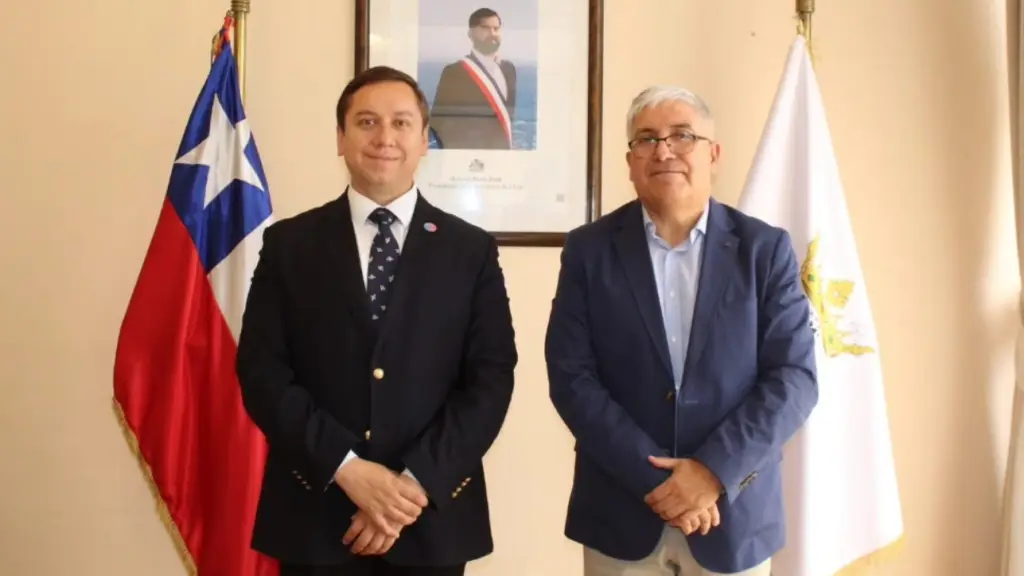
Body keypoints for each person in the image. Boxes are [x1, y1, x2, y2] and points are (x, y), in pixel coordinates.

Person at [235, 65, 518, 576]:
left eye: (401, 123)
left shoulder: (470, 251)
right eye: (366, 122)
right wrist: (346, 469)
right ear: (340, 138)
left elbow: (490, 380)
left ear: (424, 140)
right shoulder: (289, 245)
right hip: (316, 519)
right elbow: (263, 373)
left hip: (430, 521)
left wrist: (409, 486)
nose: (384, 137)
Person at [544, 85, 819, 576]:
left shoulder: (765, 250)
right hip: (620, 514)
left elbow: (794, 378)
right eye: (646, 139)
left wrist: (711, 473)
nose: (663, 150)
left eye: (682, 136)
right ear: (630, 162)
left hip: (733, 516)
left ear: (713, 154)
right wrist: (658, 484)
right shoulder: (588, 251)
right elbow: (572, 378)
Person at [429, 8, 517, 150]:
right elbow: (438, 121)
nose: (492, 34)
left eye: (496, 29)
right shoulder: (454, 72)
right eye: (485, 28)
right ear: (471, 34)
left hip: (502, 156)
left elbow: (508, 118)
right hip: (469, 156)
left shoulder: (509, 69)